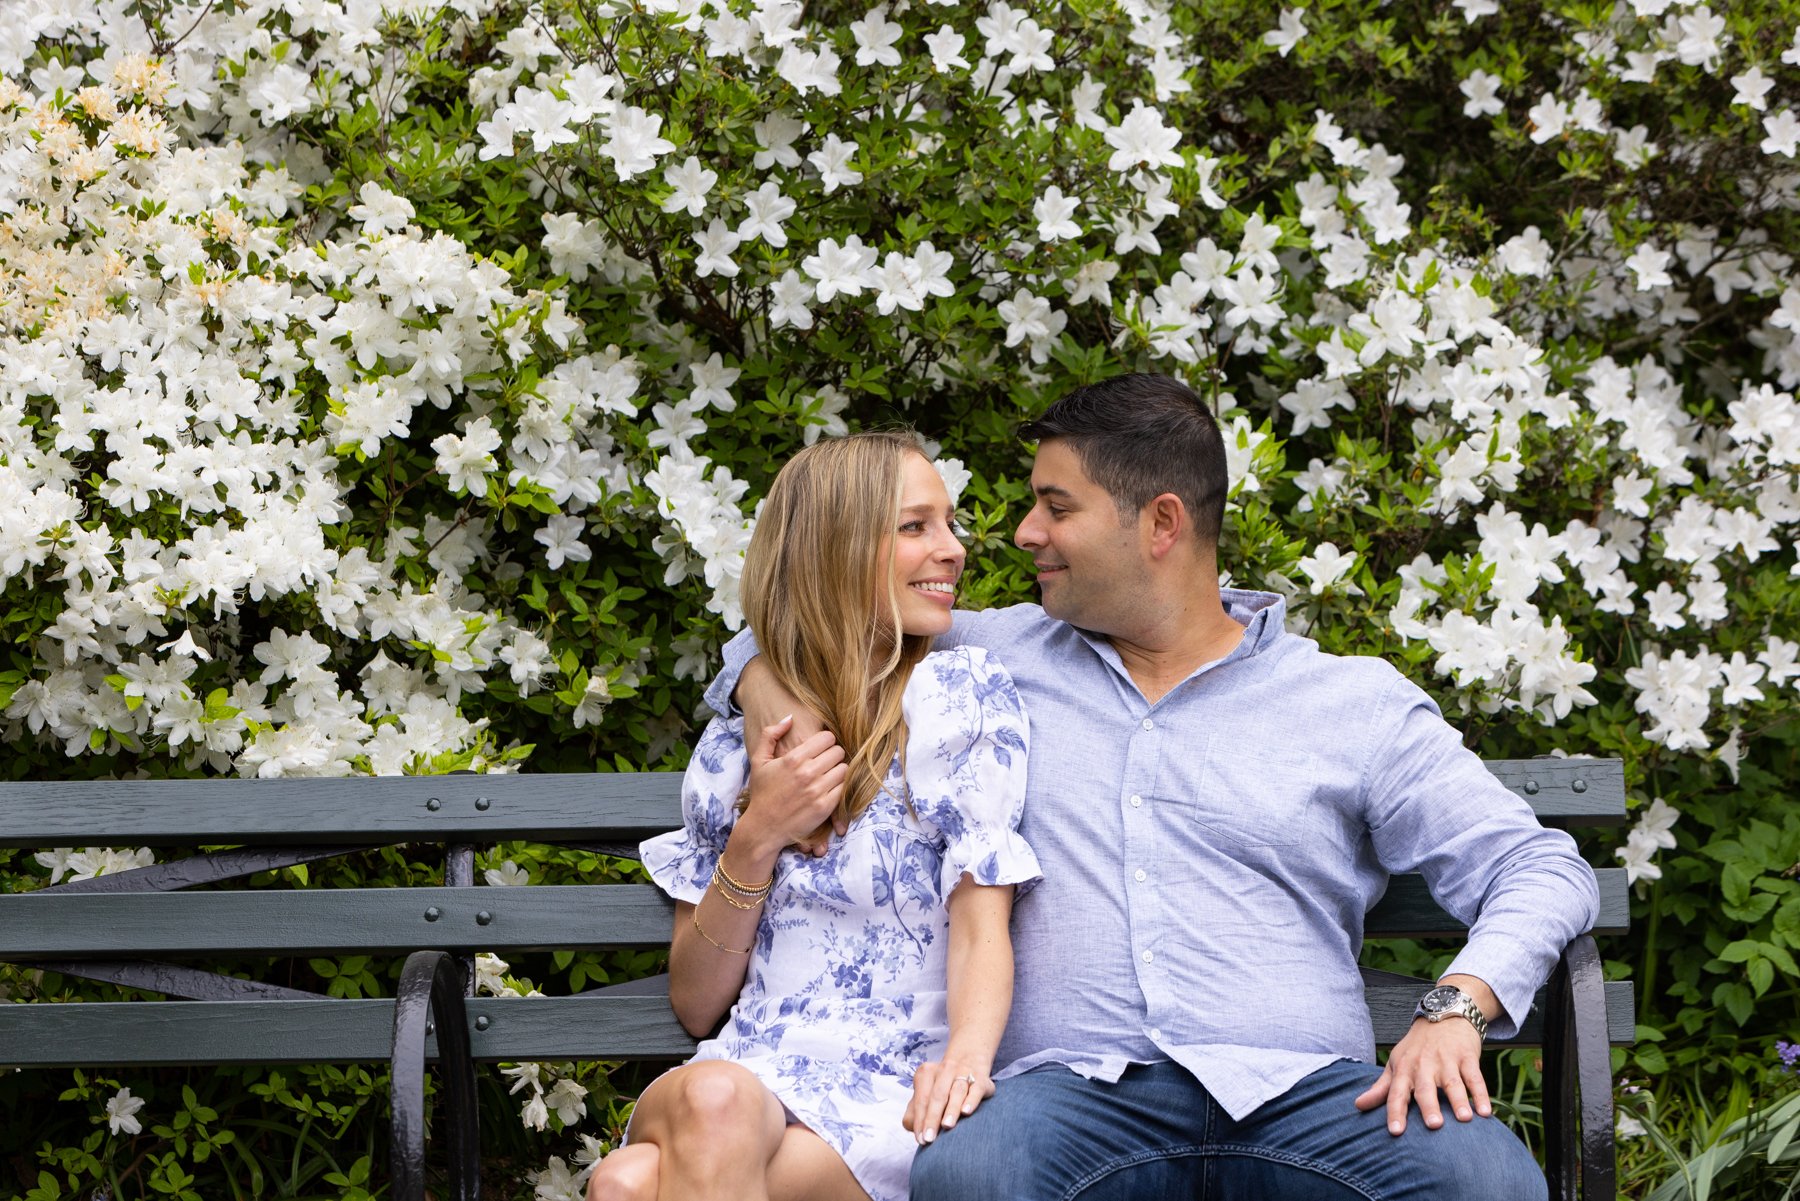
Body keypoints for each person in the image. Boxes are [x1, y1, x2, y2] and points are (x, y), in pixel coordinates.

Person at [714, 374, 1602, 1200]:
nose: (1023, 532)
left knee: (1486, 1182)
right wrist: (760, 684)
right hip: (1070, 1100)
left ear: (1161, 523)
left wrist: (1458, 1006)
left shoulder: (1350, 702)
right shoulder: (988, 658)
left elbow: (1538, 865)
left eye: (1055, 507)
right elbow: (813, 616)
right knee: (973, 1171)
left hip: (1314, 1097)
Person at [587, 431, 1041, 1201]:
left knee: (630, 1184)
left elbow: (979, 922)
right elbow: (697, 1003)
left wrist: (967, 1060)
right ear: (835, 548)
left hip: (892, 1086)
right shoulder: (739, 745)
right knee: (716, 1094)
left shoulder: (959, 703)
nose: (954, 549)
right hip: (749, 1068)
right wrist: (757, 834)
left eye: (950, 524)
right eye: (915, 526)